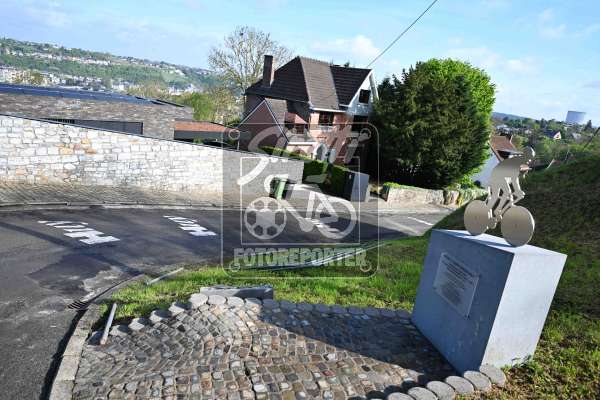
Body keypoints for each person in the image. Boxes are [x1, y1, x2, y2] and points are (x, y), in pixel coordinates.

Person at [486, 147, 535, 220]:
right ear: (524, 155)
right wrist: (518, 190)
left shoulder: (520, 162)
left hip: (501, 176)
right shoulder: (516, 162)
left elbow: (516, 178)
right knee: (501, 194)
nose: (529, 160)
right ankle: (489, 211)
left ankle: (496, 211)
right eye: (528, 158)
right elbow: (514, 179)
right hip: (497, 174)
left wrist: (518, 190)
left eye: (531, 158)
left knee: (507, 194)